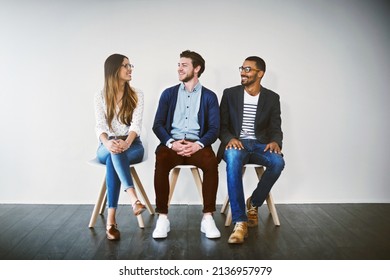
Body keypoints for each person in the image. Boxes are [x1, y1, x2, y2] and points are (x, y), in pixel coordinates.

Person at [152, 50, 221, 239]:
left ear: (196, 68)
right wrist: (171, 143)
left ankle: (207, 218)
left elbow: (214, 129)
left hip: (197, 145)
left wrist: (198, 144)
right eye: (178, 64)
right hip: (172, 144)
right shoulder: (168, 94)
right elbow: (157, 125)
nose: (179, 68)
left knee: (210, 161)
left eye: (184, 65)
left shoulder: (209, 96)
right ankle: (163, 218)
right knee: (162, 159)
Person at [218, 56, 285, 244]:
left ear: (260, 73)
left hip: (260, 145)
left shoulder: (272, 98)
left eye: (248, 69)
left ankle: (254, 203)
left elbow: (276, 127)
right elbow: (221, 126)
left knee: (278, 162)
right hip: (236, 144)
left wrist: (275, 141)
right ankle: (240, 221)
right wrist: (230, 139)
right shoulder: (230, 94)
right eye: (242, 68)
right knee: (232, 157)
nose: (242, 72)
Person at [94, 53, 146, 241]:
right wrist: (108, 142)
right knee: (112, 153)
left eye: (130, 65)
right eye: (126, 65)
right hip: (106, 144)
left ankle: (111, 220)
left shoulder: (136, 94)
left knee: (113, 157)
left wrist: (126, 143)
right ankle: (134, 199)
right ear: (114, 70)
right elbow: (100, 126)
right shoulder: (100, 96)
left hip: (132, 145)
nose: (130, 68)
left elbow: (136, 125)